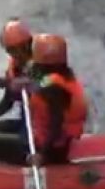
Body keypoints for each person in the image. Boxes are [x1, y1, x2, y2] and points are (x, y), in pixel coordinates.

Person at [12, 33, 89, 167]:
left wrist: (43, 155)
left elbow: (56, 127)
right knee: (4, 129)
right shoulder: (62, 77)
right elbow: (41, 85)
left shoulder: (54, 87)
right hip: (57, 142)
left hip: (53, 149)